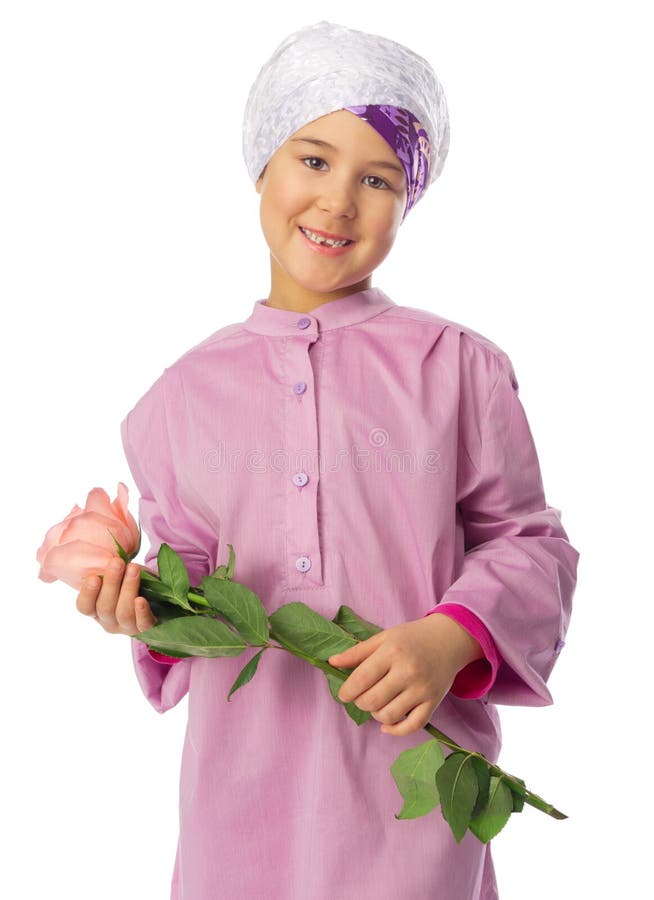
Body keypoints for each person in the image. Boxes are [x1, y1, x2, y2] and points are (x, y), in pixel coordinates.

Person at [75, 20, 579, 900]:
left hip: (413, 788)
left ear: (408, 201)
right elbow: (189, 571)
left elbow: (530, 544)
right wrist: (140, 607)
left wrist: (450, 636)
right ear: (262, 163)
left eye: (377, 179)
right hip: (240, 799)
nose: (338, 202)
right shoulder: (178, 399)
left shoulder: (457, 367)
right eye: (313, 160)